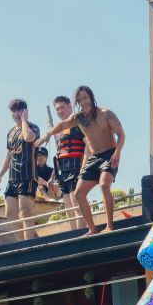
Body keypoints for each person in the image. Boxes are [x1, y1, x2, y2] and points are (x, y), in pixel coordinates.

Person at [37, 85, 125, 235]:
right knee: (78, 194)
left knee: (104, 185)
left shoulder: (105, 114)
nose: (84, 102)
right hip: (94, 158)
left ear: (91, 97)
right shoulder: (79, 118)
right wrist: (48, 134)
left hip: (109, 155)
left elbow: (121, 135)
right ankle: (92, 229)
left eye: (85, 98)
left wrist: (117, 152)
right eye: (80, 100)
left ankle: (110, 226)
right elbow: (63, 124)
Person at [0, 99, 39, 242]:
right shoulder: (10, 132)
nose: (16, 113)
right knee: (10, 214)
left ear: (25, 111)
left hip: (27, 176)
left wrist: (24, 120)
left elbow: (28, 137)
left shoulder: (33, 127)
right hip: (12, 178)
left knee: (25, 213)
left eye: (19, 110)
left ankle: (29, 243)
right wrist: (0, 174)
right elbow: (8, 155)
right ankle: (21, 244)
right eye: (13, 111)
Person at [49, 95, 88, 230]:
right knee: (68, 207)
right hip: (63, 171)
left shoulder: (78, 123)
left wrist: (83, 166)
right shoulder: (58, 130)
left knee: (76, 202)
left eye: (62, 107)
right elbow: (60, 154)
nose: (60, 111)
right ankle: (74, 233)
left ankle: (82, 233)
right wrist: (52, 177)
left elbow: (88, 145)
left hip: (76, 167)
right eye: (57, 109)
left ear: (69, 106)